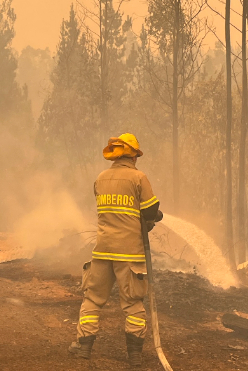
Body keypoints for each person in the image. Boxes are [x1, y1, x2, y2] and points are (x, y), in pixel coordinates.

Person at [69, 133, 163, 367]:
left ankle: (83, 349)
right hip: (129, 254)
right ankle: (134, 356)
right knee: (132, 304)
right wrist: (155, 217)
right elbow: (150, 212)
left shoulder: (100, 178)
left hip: (102, 251)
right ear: (133, 155)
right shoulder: (138, 178)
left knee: (92, 299)